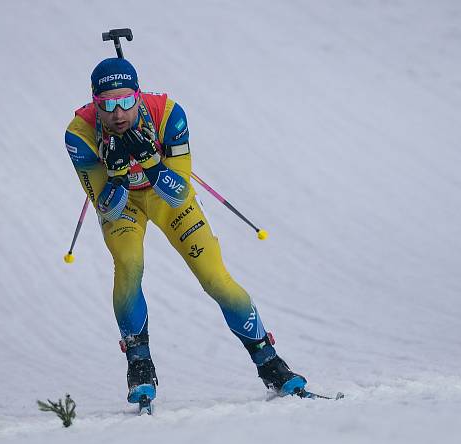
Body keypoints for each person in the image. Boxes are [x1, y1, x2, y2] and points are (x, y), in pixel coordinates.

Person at [64, 57, 306, 406]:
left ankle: (269, 362)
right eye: (108, 105)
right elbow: (107, 208)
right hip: (124, 205)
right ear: (94, 103)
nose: (118, 114)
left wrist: (149, 161)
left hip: (166, 197)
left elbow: (177, 192)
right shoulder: (79, 134)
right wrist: (117, 177)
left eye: (126, 102)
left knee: (214, 278)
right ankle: (140, 364)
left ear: (138, 94)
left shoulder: (167, 114)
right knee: (129, 264)